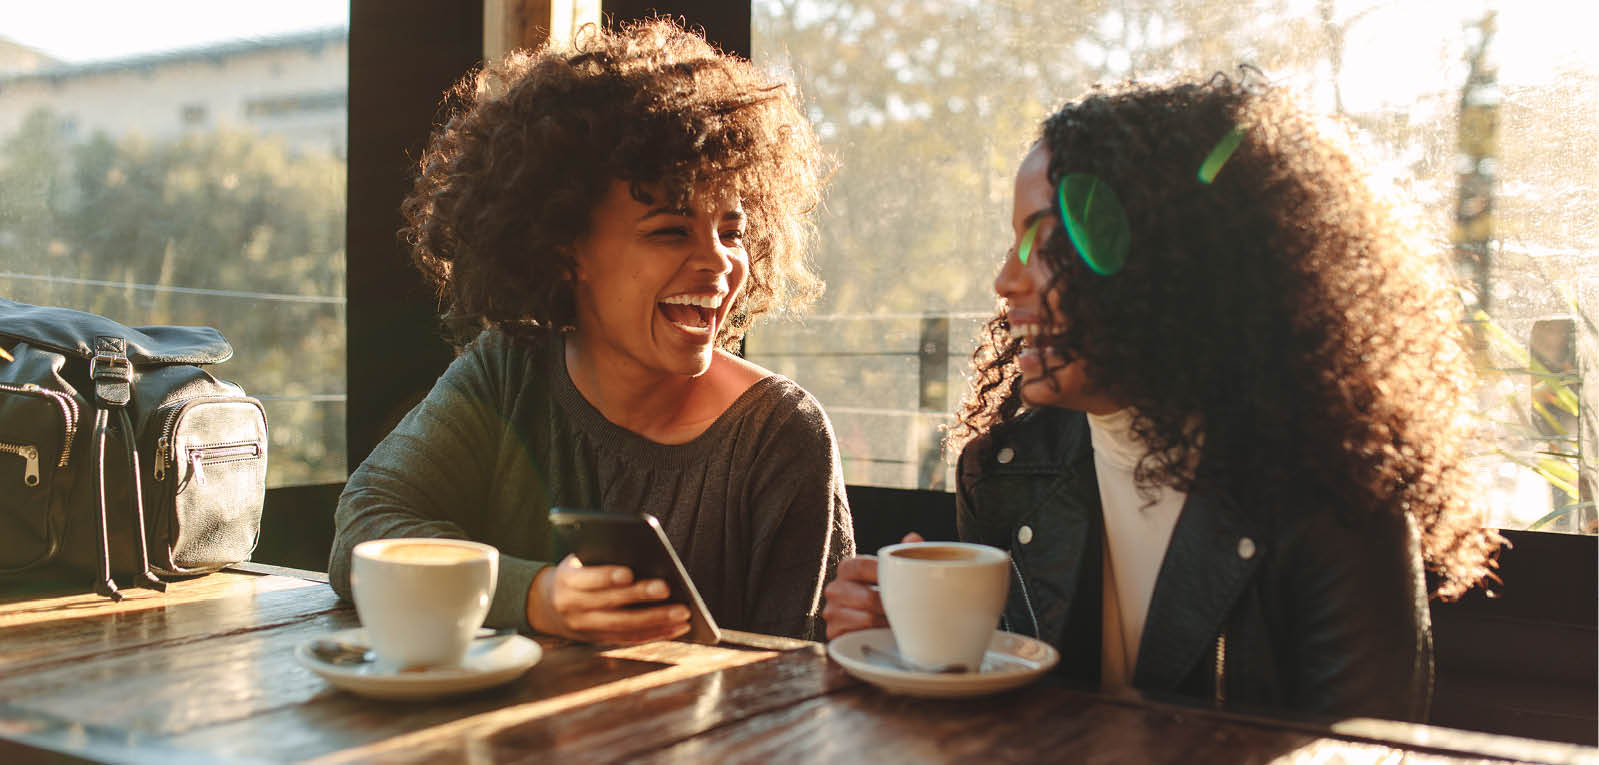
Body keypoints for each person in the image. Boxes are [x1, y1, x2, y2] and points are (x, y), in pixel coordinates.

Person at [823, 75, 1503, 720]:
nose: (1005, 279)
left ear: (1172, 264)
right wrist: (912, 648)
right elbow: (1003, 719)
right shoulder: (1003, 470)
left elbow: (1366, 754)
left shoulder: (1333, 500)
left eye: (1046, 242)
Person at [330, 19, 854, 643]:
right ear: (564, 248)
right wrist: (536, 596)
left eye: (733, 231)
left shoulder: (780, 433)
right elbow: (364, 530)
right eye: (670, 230)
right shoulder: (508, 372)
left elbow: (801, 681)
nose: (719, 262)